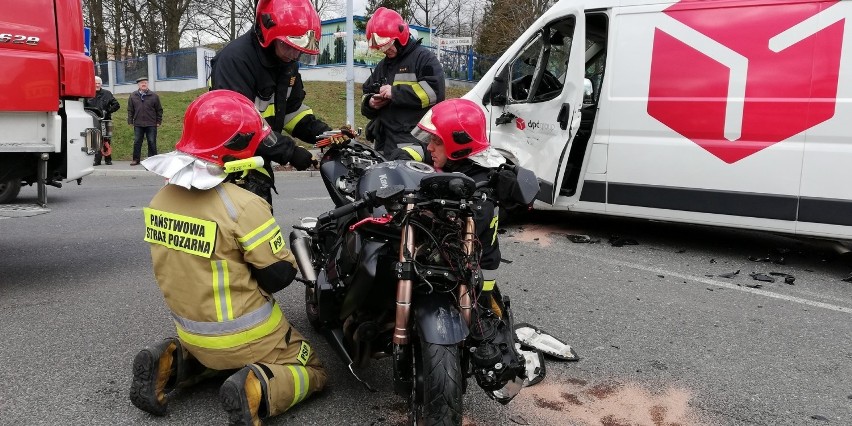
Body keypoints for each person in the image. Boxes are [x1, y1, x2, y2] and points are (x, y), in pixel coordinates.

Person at [130, 90, 326, 425]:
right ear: (239, 147)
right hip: (250, 335)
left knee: (213, 354)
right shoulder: (243, 204)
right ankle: (259, 388)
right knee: (314, 369)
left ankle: (174, 364)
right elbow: (276, 277)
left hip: (191, 329)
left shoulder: (160, 198)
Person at [410, 98, 578, 402]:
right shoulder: (463, 165)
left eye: (436, 141)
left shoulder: (481, 187)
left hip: (473, 269)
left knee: (483, 321)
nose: (429, 148)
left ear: (457, 144)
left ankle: (501, 348)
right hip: (463, 263)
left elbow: (479, 244)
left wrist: (482, 304)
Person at [209, 0, 343, 196]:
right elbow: (239, 126)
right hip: (226, 169)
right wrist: (290, 152)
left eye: (300, 48)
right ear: (269, 33)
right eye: (290, 46)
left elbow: (292, 111)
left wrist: (327, 135)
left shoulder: (285, 60)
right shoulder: (235, 61)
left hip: (256, 163)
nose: (295, 54)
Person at [361, 7, 445, 158]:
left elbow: (434, 93)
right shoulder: (384, 65)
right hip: (384, 141)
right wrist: (370, 102)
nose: (385, 50)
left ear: (401, 37)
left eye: (387, 45)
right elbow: (366, 91)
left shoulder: (424, 59)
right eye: (381, 47)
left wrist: (395, 93)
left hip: (413, 141)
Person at [127, 76, 163, 166]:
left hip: (151, 123)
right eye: (141, 83)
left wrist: (158, 121)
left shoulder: (154, 96)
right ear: (138, 85)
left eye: (145, 83)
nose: (143, 84)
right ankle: (136, 159)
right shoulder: (133, 96)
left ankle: (152, 160)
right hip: (138, 123)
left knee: (151, 141)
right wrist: (130, 121)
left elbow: (159, 110)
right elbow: (130, 109)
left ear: (147, 84)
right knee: (137, 141)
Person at [85, 76, 120, 166]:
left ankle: (108, 159)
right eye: (95, 83)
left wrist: (108, 110)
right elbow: (84, 106)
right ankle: (97, 160)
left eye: (99, 83)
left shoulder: (107, 93)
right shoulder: (88, 94)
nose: (97, 85)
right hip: (92, 120)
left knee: (107, 140)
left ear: (101, 84)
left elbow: (116, 105)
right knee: (94, 140)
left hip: (106, 119)